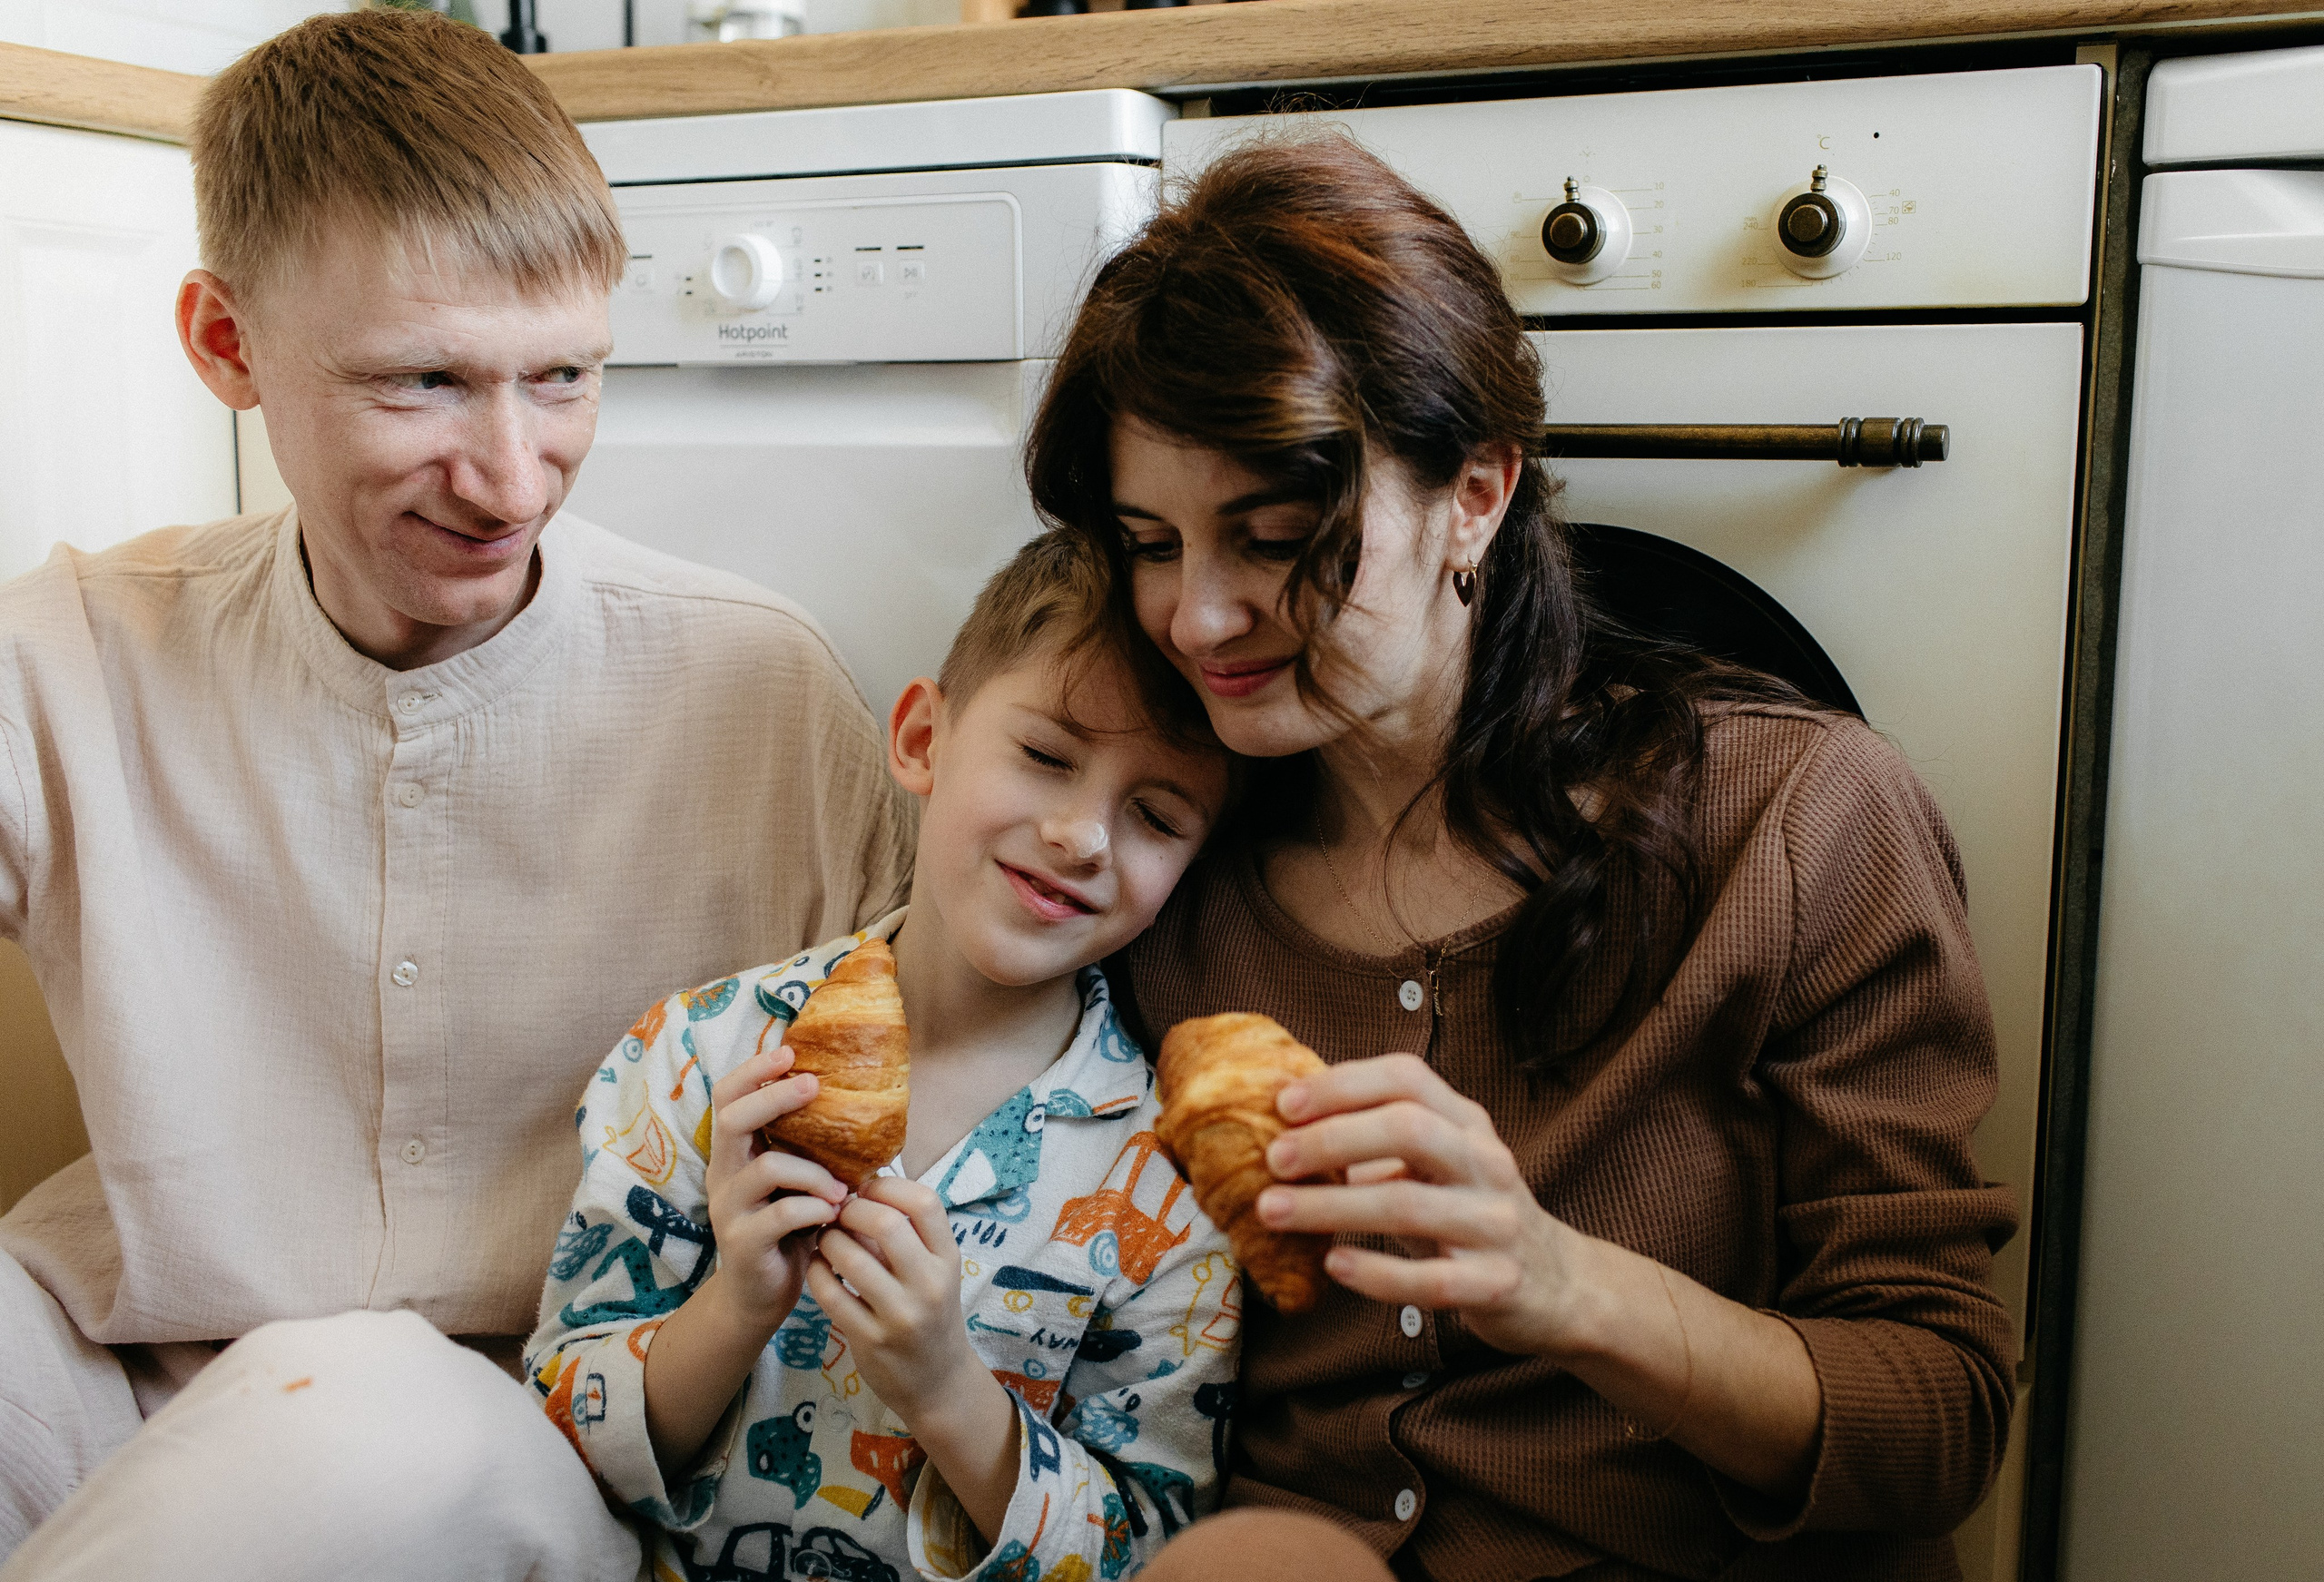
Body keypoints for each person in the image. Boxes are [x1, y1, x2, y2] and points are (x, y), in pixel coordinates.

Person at [1028, 138, 2019, 1582]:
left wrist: (1558, 1280)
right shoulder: (1165, 864)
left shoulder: (1796, 818)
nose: (1198, 616)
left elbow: (1942, 1419)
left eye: (1277, 537)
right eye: (1151, 542)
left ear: (1478, 491)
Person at [0, 11, 909, 1577]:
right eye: (423, 384)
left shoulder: (760, 687)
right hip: (111, 1376)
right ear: (227, 344)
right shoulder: (63, 650)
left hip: (535, 1427)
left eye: (562, 376)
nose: (511, 475)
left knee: (353, 1413)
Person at [528, 534, 1241, 1582]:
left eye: (1157, 816)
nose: (1084, 837)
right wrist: (734, 1308)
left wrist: (948, 1387)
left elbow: (1154, 1551)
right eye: (1046, 756)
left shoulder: (1167, 1197)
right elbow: (554, 1441)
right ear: (920, 739)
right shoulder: (696, 1061)